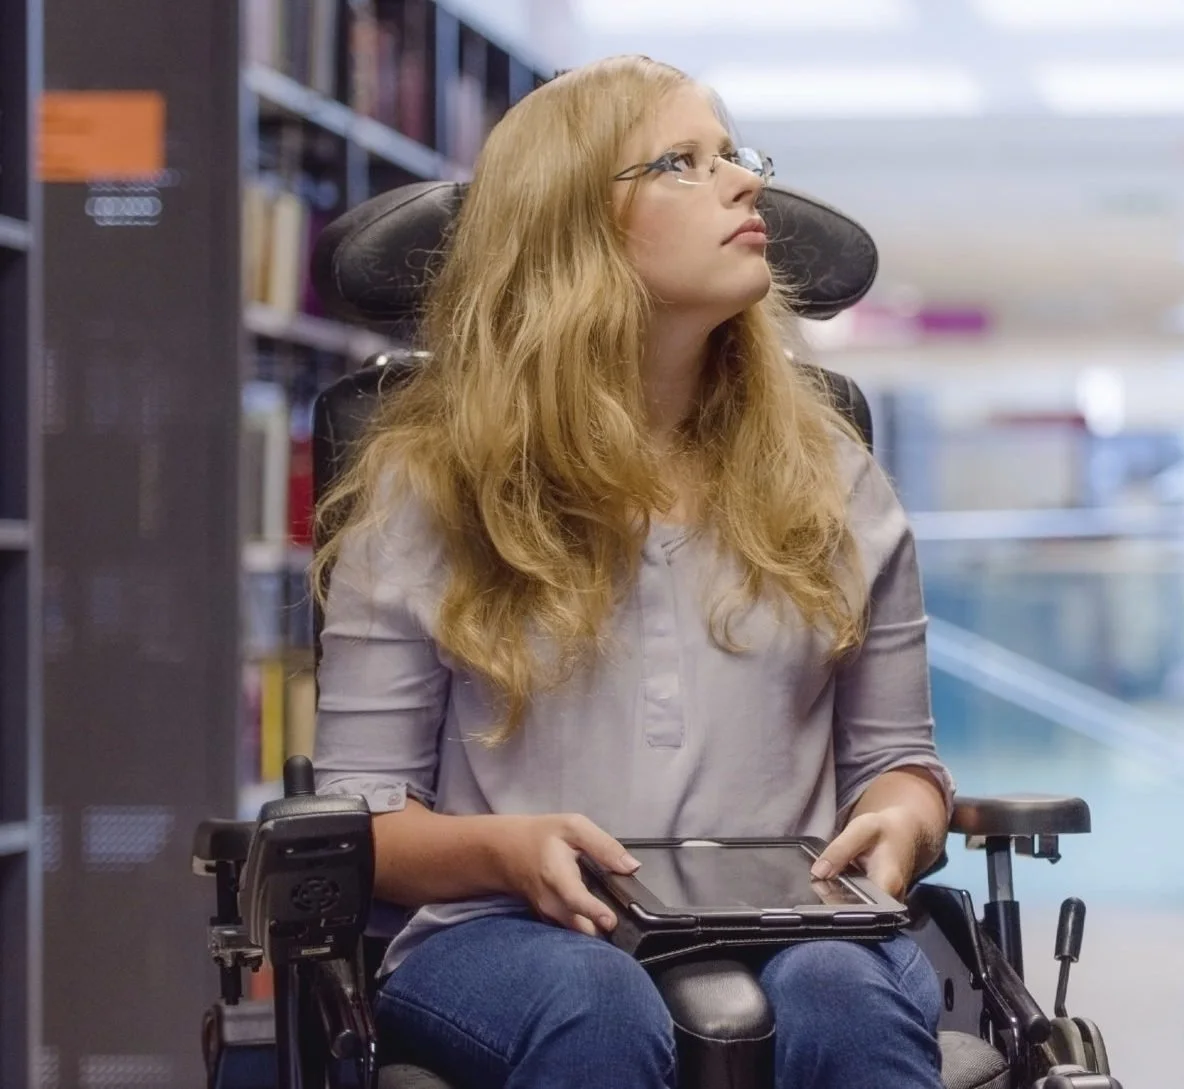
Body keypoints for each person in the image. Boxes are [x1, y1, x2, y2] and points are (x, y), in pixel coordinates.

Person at [309, 55, 954, 1089]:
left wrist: (904, 819)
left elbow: (898, 763)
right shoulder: (429, 489)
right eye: (679, 164)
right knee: (591, 1003)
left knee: (841, 1001)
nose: (746, 184)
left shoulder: (835, 477)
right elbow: (360, 823)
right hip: (503, 933)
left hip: (798, 925)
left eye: (733, 157)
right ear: (568, 227)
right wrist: (505, 850)